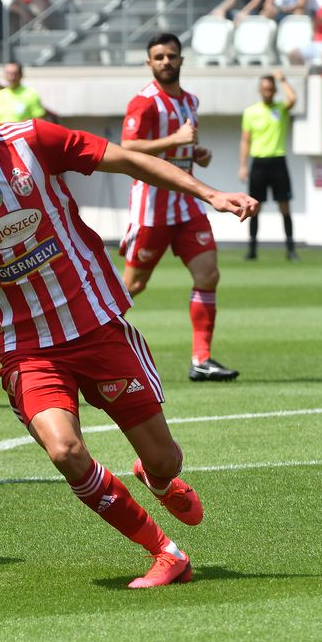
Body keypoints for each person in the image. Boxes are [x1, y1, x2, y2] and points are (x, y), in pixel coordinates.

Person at [0, 68, 258, 588]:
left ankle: (157, 478)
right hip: (27, 347)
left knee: (165, 458)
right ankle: (165, 553)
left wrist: (209, 193)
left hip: (95, 323)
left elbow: (129, 160)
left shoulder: (32, 140)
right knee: (65, 451)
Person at [120, 33, 239, 382]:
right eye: (159, 57)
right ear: (149, 63)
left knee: (208, 274)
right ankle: (85, 340)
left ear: (182, 60)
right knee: (133, 285)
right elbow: (127, 147)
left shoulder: (190, 101)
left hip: (188, 205)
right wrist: (176, 141)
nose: (166, 62)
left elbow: (182, 148)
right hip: (152, 207)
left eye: (171, 56)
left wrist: (195, 155)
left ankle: (201, 359)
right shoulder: (143, 102)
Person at [240, 71, 298, 261]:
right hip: (258, 163)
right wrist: (243, 165)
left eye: (270, 88)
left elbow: (293, 98)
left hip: (278, 161)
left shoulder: (280, 108)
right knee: (254, 207)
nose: (267, 91)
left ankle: (290, 249)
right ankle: (252, 249)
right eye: (264, 88)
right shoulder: (251, 112)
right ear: (260, 90)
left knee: (285, 206)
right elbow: (245, 141)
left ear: (274, 90)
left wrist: (283, 79)